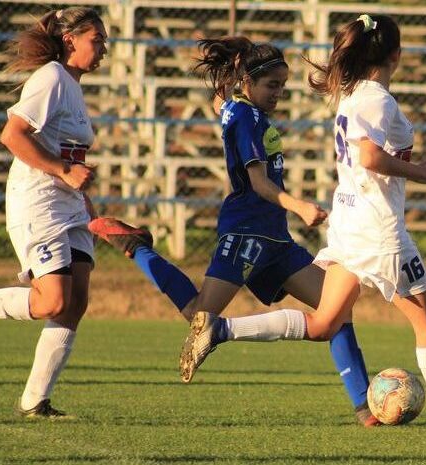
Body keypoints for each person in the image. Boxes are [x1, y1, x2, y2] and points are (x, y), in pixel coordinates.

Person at [179, 14, 426, 447]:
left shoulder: (353, 93)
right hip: (379, 232)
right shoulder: (376, 98)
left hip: (350, 226)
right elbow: (371, 159)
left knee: (324, 323)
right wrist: (424, 172)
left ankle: (220, 330)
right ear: (396, 53)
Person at [88, 36, 379, 426]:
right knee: (198, 315)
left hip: (276, 239)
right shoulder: (245, 118)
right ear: (248, 82)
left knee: (337, 310)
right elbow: (259, 184)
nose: (278, 93)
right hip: (246, 233)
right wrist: (301, 205)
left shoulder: (236, 110)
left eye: (282, 85)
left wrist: (234, 69)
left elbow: (219, 101)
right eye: (271, 85)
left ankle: (365, 408)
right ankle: (137, 247)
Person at [0, 7, 107, 418]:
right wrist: (63, 170)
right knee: (52, 301)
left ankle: (35, 400)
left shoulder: (72, 87)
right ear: (70, 40)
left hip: (69, 208)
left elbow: (71, 159)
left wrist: (89, 209)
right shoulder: (52, 79)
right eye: (97, 39)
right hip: (38, 203)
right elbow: (12, 134)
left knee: (75, 301)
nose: (104, 48)